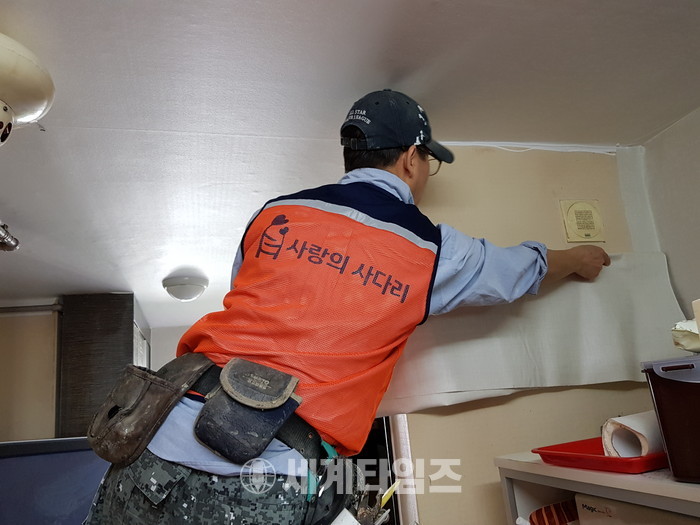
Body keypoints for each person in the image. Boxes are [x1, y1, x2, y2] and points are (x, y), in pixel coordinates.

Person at [84, 89, 610, 524]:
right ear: (412, 158)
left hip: (154, 437)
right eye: (429, 162)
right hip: (261, 473)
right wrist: (578, 259)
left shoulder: (276, 212)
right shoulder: (430, 248)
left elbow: (246, 293)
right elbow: (516, 269)